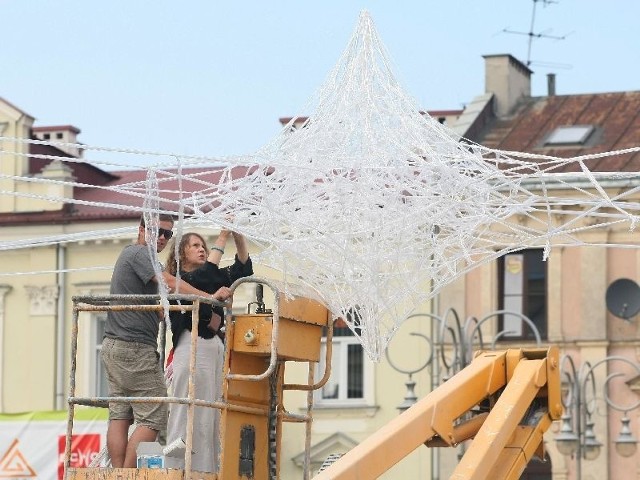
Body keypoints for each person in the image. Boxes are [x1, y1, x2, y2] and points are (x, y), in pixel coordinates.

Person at [101, 214, 233, 468]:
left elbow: (157, 303)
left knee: (121, 414)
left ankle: (118, 473)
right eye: (157, 231)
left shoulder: (133, 258)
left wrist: (162, 311)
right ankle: (130, 474)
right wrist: (209, 298)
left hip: (114, 345)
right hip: (134, 347)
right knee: (156, 414)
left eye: (167, 234)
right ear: (141, 229)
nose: (161, 238)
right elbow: (171, 282)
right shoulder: (141, 254)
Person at [164, 228, 253, 473]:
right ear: (181, 252)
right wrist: (222, 236)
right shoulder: (180, 280)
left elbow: (243, 269)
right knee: (188, 405)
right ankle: (177, 469)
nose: (202, 249)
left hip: (213, 346)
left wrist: (238, 236)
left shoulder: (210, 276)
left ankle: (205, 470)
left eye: (204, 245)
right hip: (191, 343)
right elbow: (204, 276)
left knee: (210, 409)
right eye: (195, 245)